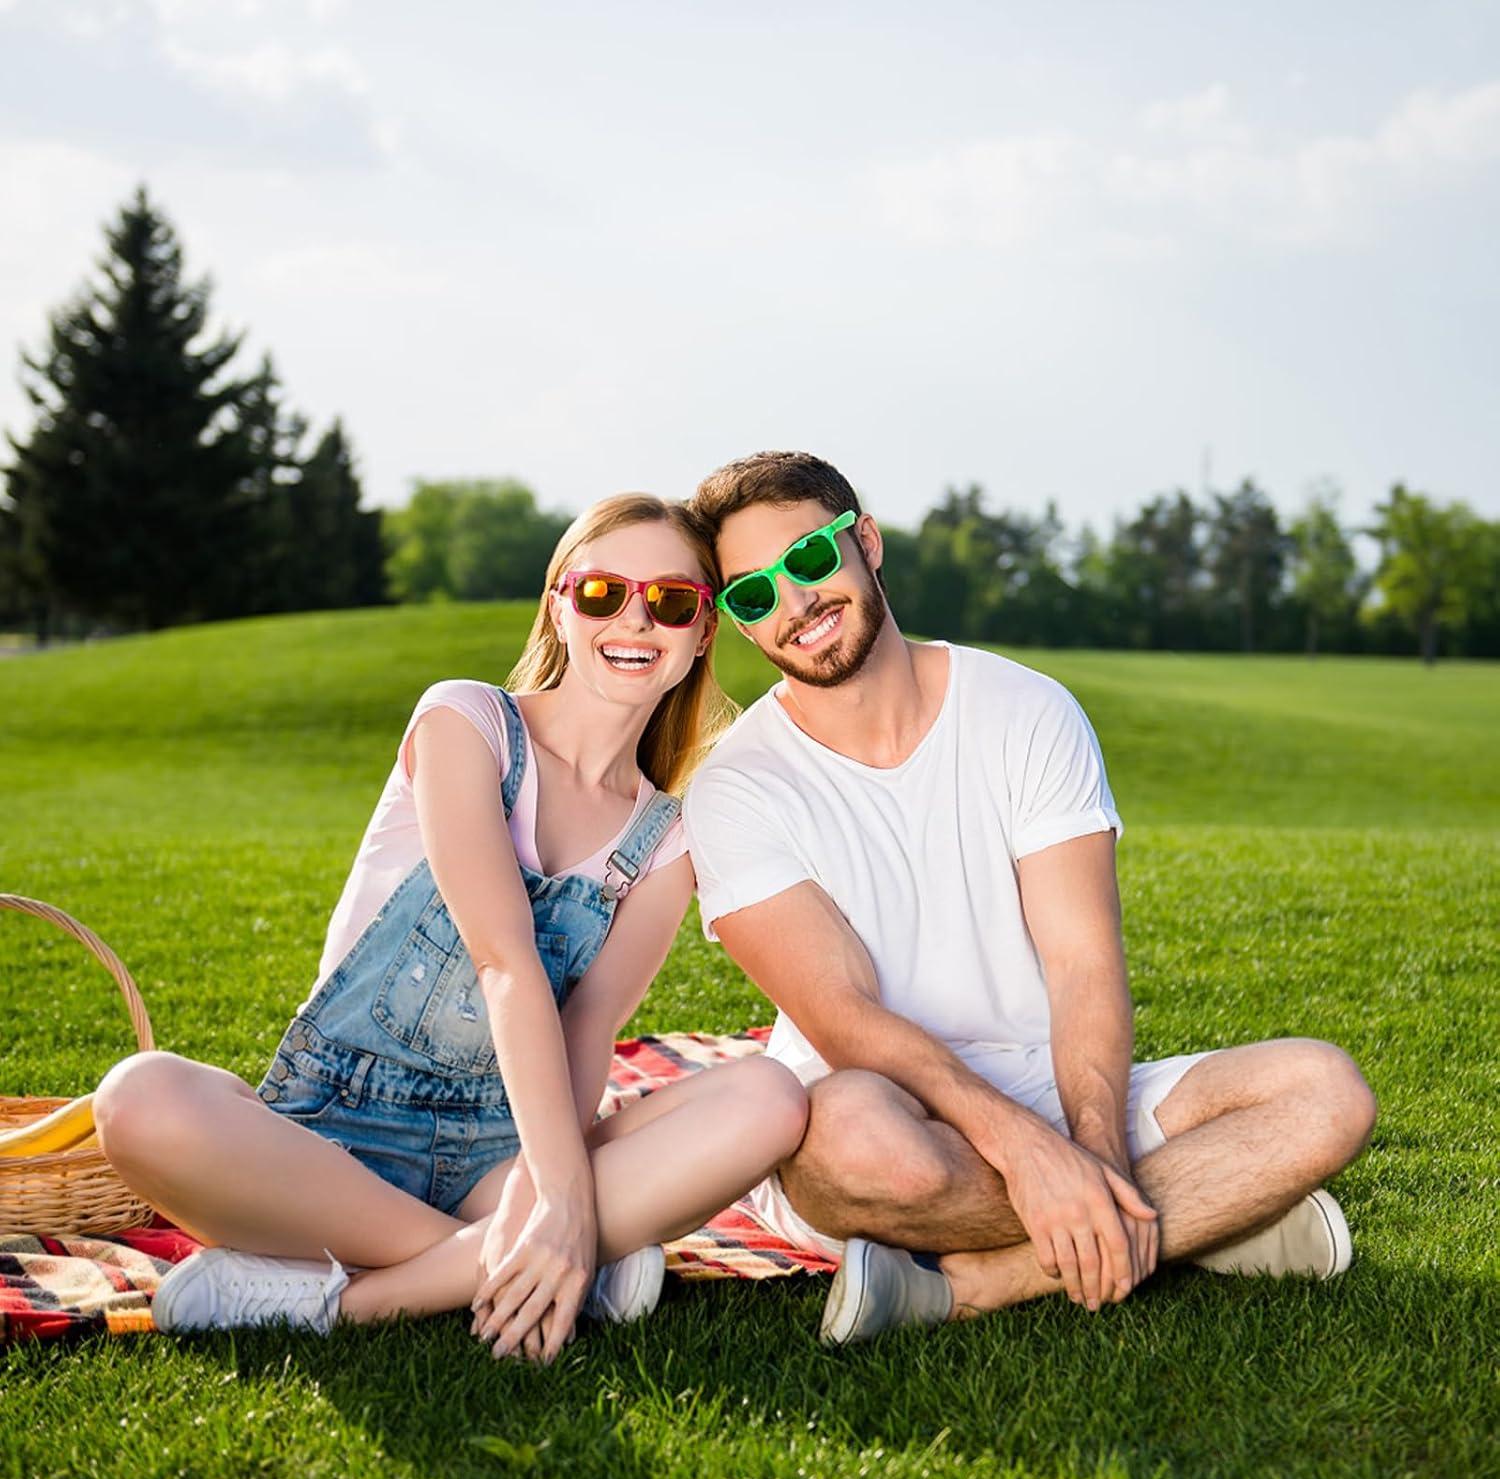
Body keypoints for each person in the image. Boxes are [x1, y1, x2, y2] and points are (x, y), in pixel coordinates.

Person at [682, 452, 1378, 1345]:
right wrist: (1025, 1151)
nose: (794, 604)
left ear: (864, 542)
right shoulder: (736, 786)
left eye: (811, 560)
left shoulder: (1024, 708)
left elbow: (1082, 962)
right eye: (752, 594)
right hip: (877, 1097)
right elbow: (845, 1020)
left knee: (1328, 1092)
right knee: (848, 1143)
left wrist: (1087, 1151)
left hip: (1046, 1078)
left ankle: (988, 1281)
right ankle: (1204, 1218)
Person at [94, 492, 808, 1363]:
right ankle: (544, 1261)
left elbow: (589, 1031)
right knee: (138, 1099)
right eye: (601, 594)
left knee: (768, 1097)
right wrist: (570, 1209)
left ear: (702, 632)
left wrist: (550, 1187)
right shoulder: (467, 723)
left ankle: (348, 1304)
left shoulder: (664, 840)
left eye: (669, 601)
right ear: (559, 605)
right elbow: (502, 960)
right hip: (328, 1135)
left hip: (502, 1159)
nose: (634, 619)